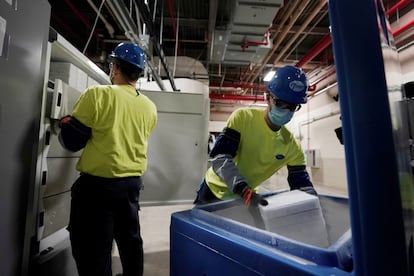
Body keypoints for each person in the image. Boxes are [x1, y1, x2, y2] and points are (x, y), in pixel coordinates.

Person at [58, 42, 157, 276]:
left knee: (93, 250)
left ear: (115, 68)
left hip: (97, 190)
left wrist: (65, 125)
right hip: (131, 187)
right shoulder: (149, 107)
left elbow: (72, 142)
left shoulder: (98, 95)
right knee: (129, 242)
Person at [194, 65, 316, 207]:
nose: (286, 110)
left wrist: (316, 206)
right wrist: (242, 189)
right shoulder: (243, 118)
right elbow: (220, 157)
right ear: (268, 98)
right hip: (213, 191)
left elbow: (302, 186)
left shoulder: (293, 147)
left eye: (292, 107)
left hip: (247, 197)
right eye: (281, 103)